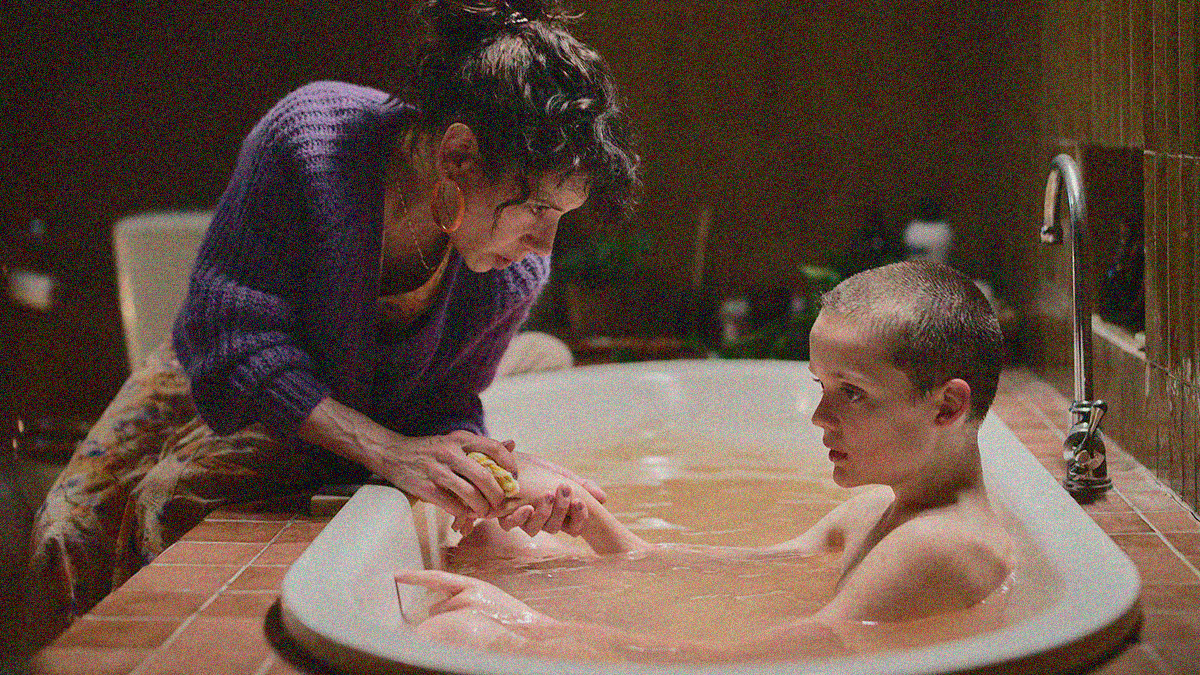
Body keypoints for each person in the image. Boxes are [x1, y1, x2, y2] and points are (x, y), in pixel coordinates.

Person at [20, 0, 639, 656]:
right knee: (65, 532)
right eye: (538, 210)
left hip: (355, 403)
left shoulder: (509, 273)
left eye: (561, 218)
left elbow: (443, 404)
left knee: (167, 494)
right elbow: (232, 337)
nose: (545, 246)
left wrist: (495, 479)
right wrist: (387, 451)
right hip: (236, 356)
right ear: (459, 155)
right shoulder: (315, 143)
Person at [397, 259, 1013, 663]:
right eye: (820, 385)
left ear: (946, 407)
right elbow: (721, 571)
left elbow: (752, 661)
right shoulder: (881, 507)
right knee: (505, 547)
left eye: (850, 393)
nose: (820, 417)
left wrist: (525, 629)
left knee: (460, 636)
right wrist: (591, 524)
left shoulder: (941, 546)